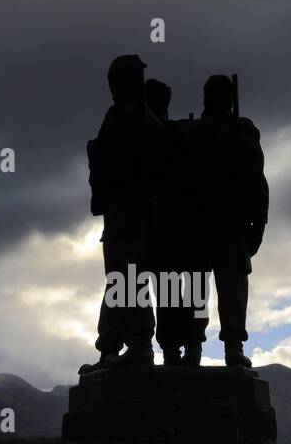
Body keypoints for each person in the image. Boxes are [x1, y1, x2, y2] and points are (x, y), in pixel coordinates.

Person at [79, 55, 165, 375]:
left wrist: (96, 159)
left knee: (126, 281)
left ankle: (138, 345)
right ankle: (112, 348)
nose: (112, 89)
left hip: (127, 214)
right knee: (124, 281)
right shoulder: (151, 123)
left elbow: (115, 167)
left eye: (114, 82)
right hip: (141, 215)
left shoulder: (121, 117)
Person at [188, 74, 268, 368]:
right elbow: (257, 182)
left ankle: (194, 345)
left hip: (198, 221)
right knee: (231, 286)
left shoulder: (190, 132)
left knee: (198, 286)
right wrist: (258, 224)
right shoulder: (241, 130)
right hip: (228, 221)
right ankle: (231, 347)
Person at [145, 78, 204, 367]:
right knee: (190, 289)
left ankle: (177, 350)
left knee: (171, 291)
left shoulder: (153, 136)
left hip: (168, 225)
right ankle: (188, 348)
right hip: (187, 224)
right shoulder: (187, 133)